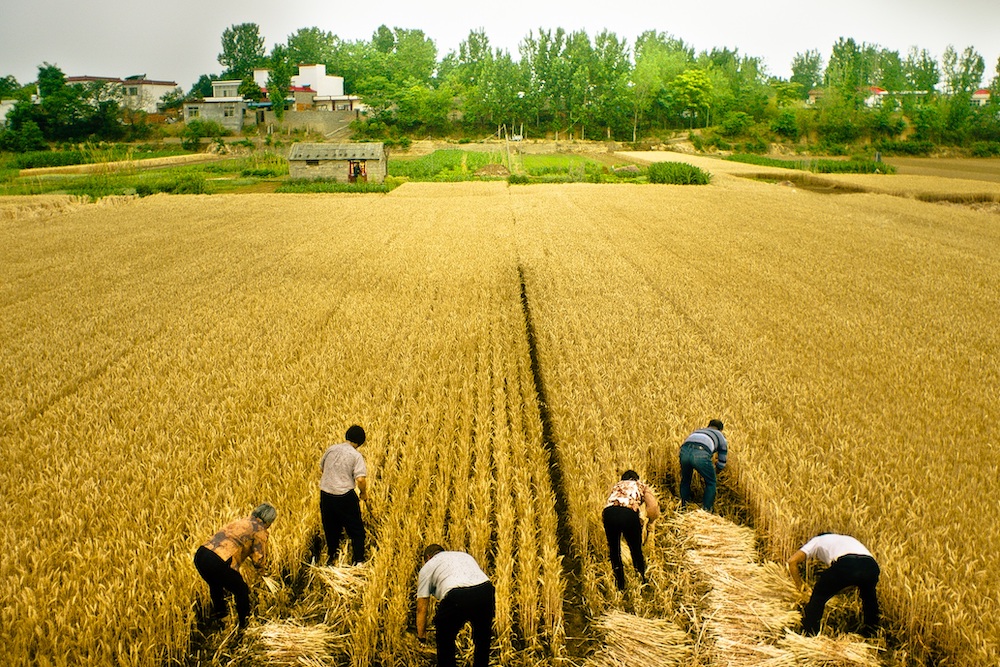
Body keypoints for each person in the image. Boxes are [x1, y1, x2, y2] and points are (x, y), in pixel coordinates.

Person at [193, 503, 277, 629]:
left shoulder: (243, 521)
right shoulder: (260, 530)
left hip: (201, 554)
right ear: (269, 521)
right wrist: (263, 573)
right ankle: (245, 626)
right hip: (219, 560)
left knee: (216, 585)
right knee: (241, 590)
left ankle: (222, 621)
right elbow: (258, 559)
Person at [415, 544, 495, 667]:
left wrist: (421, 638)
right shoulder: (464, 556)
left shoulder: (428, 566)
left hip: (457, 595)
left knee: (444, 636)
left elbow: (422, 608)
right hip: (485, 589)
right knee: (482, 639)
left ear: (428, 557)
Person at [787, 533, 880, 636]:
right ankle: (872, 635)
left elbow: (792, 561)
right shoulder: (847, 539)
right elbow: (853, 575)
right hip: (871, 566)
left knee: (819, 593)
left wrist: (801, 587)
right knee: (869, 599)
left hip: (848, 562)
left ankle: (808, 633)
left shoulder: (817, 540)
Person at [602, 470, 660, 590]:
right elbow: (653, 507)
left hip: (609, 513)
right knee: (636, 549)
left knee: (614, 550)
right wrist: (650, 522)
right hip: (628, 514)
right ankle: (642, 578)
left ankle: (620, 584)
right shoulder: (641, 485)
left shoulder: (617, 486)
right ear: (636, 479)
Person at [319, 424, 368, 565]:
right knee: (356, 530)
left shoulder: (331, 449)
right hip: (344, 496)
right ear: (360, 442)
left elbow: (322, 469)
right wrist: (363, 493)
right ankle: (358, 561)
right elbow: (360, 479)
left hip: (326, 494)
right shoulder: (356, 455)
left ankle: (332, 556)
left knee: (330, 527)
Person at [679, 419, 728, 511]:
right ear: (720, 429)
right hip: (700, 453)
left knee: (685, 480)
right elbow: (722, 461)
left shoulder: (698, 431)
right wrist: (716, 471)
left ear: (708, 426)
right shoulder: (720, 435)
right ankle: (706, 510)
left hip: (684, 452)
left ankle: (683, 506)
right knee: (711, 482)